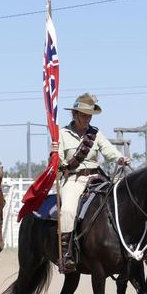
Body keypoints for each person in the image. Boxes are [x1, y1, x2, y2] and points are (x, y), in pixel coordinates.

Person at [50, 93, 130, 273]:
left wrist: (120, 159)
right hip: (74, 179)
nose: (87, 118)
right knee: (68, 210)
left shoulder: (95, 133)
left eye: (90, 115)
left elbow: (109, 152)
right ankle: (66, 254)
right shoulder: (62, 134)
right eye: (84, 114)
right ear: (75, 114)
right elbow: (59, 162)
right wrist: (55, 155)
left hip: (97, 178)